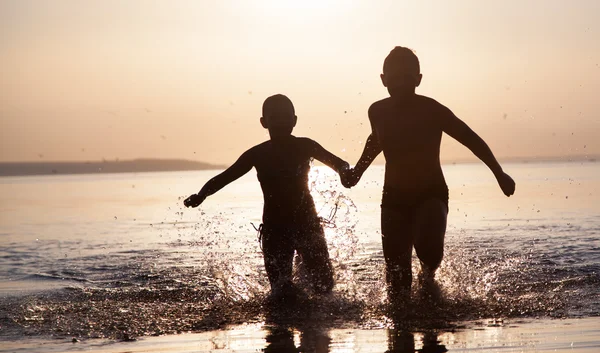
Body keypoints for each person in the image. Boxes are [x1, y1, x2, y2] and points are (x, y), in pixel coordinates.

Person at [342, 46, 516, 303]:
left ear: (418, 79)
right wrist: (356, 172)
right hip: (393, 197)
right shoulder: (377, 111)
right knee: (396, 274)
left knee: (429, 249)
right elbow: (376, 141)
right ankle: (400, 331)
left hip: (430, 193)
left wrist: (498, 172)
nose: (401, 83)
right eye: (394, 78)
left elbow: (469, 138)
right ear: (383, 80)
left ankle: (428, 278)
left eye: (407, 77)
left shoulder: (432, 109)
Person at [184, 94, 350, 299]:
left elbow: (339, 163)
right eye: (275, 117)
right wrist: (201, 195)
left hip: (307, 223)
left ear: (294, 120)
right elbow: (225, 177)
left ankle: (314, 321)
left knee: (324, 285)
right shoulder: (258, 154)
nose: (281, 121)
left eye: (285, 117)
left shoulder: (305, 146)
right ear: (264, 122)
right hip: (275, 229)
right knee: (280, 291)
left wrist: (345, 172)